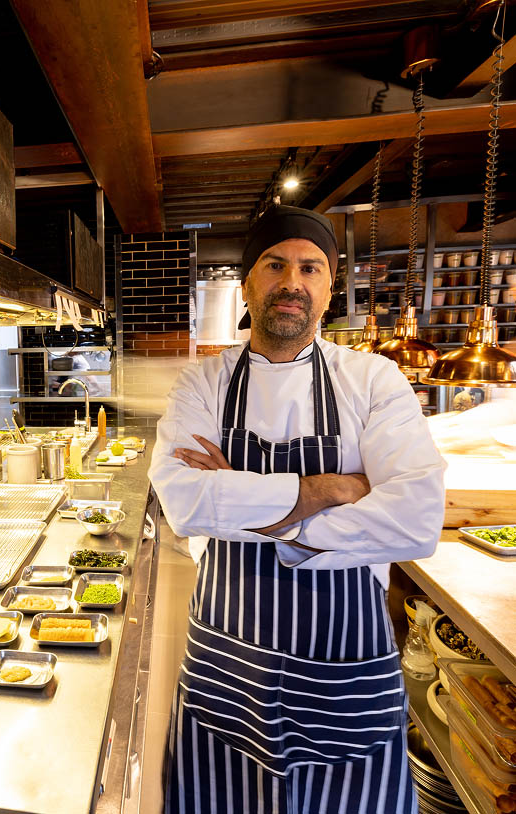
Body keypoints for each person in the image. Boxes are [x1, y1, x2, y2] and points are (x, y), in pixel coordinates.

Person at [149, 205, 446, 814]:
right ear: (248, 283)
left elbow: (416, 518)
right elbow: (185, 501)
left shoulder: (374, 380)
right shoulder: (202, 384)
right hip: (229, 668)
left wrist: (246, 497)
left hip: (347, 672)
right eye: (275, 264)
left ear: (329, 289)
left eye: (311, 268)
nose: (293, 281)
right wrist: (332, 488)